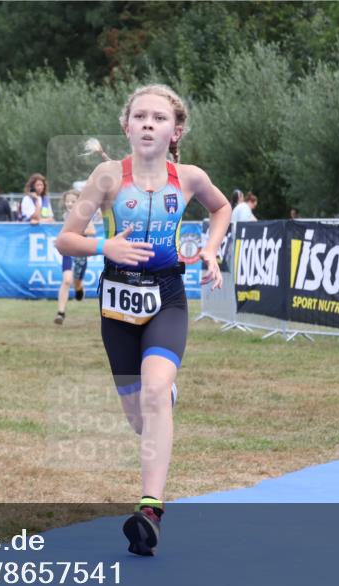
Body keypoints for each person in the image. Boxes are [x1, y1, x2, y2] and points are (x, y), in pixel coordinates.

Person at [55, 84, 230, 556]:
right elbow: (65, 239)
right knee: (140, 418)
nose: (149, 123)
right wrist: (103, 246)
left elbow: (221, 208)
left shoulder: (189, 177)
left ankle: (150, 509)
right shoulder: (108, 177)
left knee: (154, 393)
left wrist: (211, 250)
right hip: (116, 305)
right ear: (127, 127)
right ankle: (161, 395)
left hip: (168, 297)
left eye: (159, 118)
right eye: (141, 117)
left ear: (176, 130)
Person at [54, 189, 96, 325]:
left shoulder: (84, 215)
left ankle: (79, 290)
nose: (70, 204)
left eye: (73, 201)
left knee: (77, 282)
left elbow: (92, 231)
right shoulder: (65, 215)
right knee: (67, 280)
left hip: (80, 252)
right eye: (68, 201)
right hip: (68, 251)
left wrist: (77, 232)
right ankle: (60, 313)